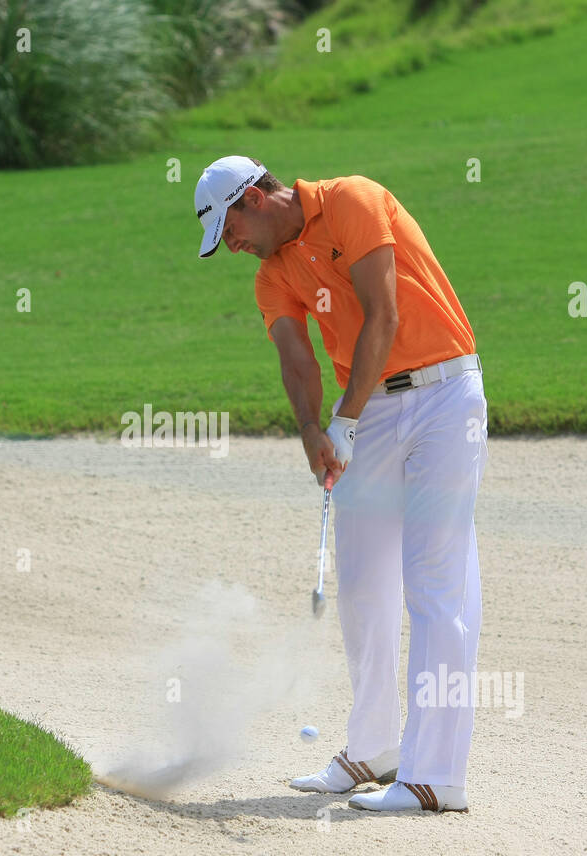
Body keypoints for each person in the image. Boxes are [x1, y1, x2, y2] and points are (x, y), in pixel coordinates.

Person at [193, 156, 488, 813]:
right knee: (361, 585)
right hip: (370, 410)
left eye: (230, 229)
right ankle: (375, 747)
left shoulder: (352, 200)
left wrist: (345, 419)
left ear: (253, 199)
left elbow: (382, 314)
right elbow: (296, 358)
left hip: (443, 397)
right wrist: (313, 435)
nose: (232, 246)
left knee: (435, 583)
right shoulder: (273, 276)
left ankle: (435, 776)